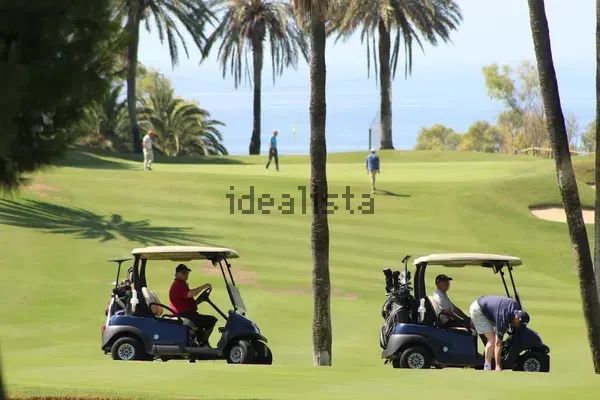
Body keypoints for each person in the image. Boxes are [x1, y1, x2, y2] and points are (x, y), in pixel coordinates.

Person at [469, 295, 530, 371]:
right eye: (518, 324)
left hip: (488, 307)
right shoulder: (503, 318)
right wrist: (498, 366)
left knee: (496, 336)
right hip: (478, 309)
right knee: (492, 340)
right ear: (516, 318)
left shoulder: (515, 309)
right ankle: (487, 366)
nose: (518, 326)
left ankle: (492, 357)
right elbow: (498, 344)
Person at [169, 264, 217, 345]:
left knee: (201, 322)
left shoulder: (181, 284)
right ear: (177, 274)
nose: (186, 275)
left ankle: (200, 341)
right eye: (183, 272)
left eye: (187, 272)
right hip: (185, 315)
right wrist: (204, 286)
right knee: (211, 320)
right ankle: (203, 342)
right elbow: (190, 294)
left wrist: (195, 303)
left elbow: (186, 298)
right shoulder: (178, 285)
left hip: (188, 314)